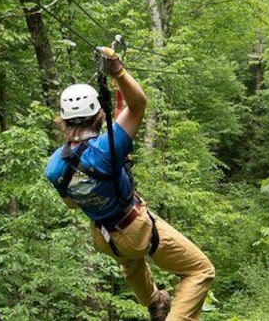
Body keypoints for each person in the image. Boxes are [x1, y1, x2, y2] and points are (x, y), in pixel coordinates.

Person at [45, 47, 215, 321]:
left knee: (130, 259)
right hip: (134, 227)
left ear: (64, 120)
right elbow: (138, 104)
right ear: (99, 114)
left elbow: (72, 203)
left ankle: (154, 302)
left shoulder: (54, 166)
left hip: (103, 236)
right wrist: (118, 72)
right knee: (200, 271)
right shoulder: (109, 148)